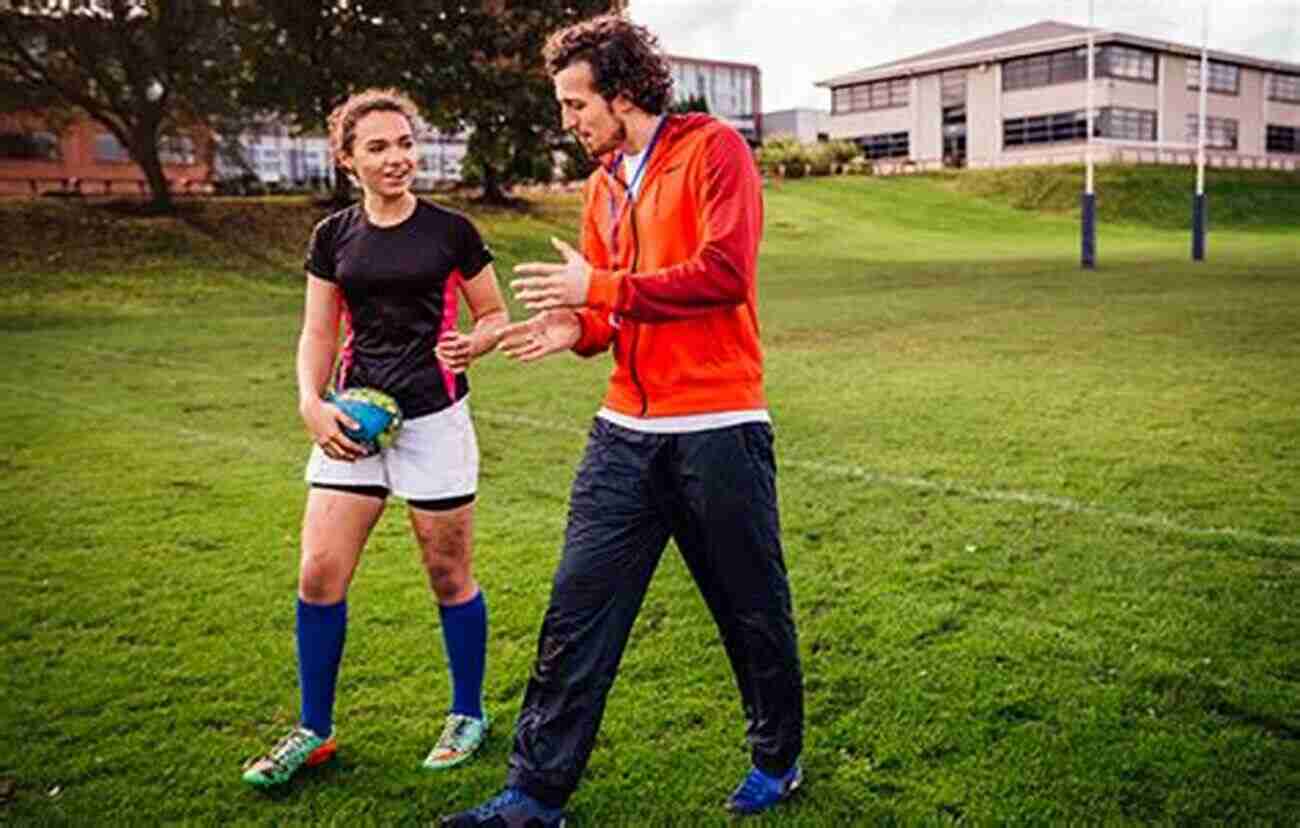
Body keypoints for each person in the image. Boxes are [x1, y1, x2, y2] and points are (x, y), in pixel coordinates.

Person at [442, 15, 804, 826]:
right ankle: (534, 797)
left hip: (719, 426)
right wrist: (570, 327)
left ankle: (777, 759)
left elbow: (722, 274)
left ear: (626, 91)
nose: (568, 121)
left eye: (577, 104)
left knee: (749, 609)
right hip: (624, 434)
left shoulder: (714, 150)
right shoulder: (603, 185)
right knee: (576, 612)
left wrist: (597, 294)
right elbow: (606, 316)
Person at [241, 88, 508, 787]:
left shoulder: (451, 230)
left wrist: (473, 344)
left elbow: (494, 313)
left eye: (405, 143)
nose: (398, 158)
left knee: (447, 575)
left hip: (434, 419)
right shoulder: (333, 237)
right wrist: (310, 401)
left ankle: (467, 712)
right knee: (318, 574)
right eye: (379, 147)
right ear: (347, 159)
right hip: (351, 420)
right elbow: (318, 330)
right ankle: (314, 729)